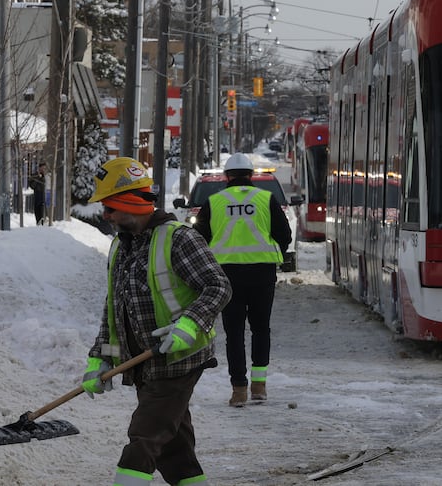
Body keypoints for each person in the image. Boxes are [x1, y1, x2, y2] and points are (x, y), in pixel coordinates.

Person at [82, 157, 232, 486]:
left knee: (144, 439)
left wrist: (188, 325)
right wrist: (99, 356)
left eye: (109, 208)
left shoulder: (179, 239)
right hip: (144, 365)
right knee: (174, 449)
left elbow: (218, 287)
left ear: (129, 202)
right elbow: (115, 305)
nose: (105, 215)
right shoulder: (121, 246)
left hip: (178, 359)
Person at [195, 152, 292, 407]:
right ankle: (259, 387)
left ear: (227, 177)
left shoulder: (214, 202)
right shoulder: (265, 199)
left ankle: (239, 389)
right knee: (261, 329)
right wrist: (273, 254)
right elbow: (284, 234)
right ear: (251, 176)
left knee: (234, 333)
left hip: (227, 276)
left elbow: (199, 239)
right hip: (262, 273)